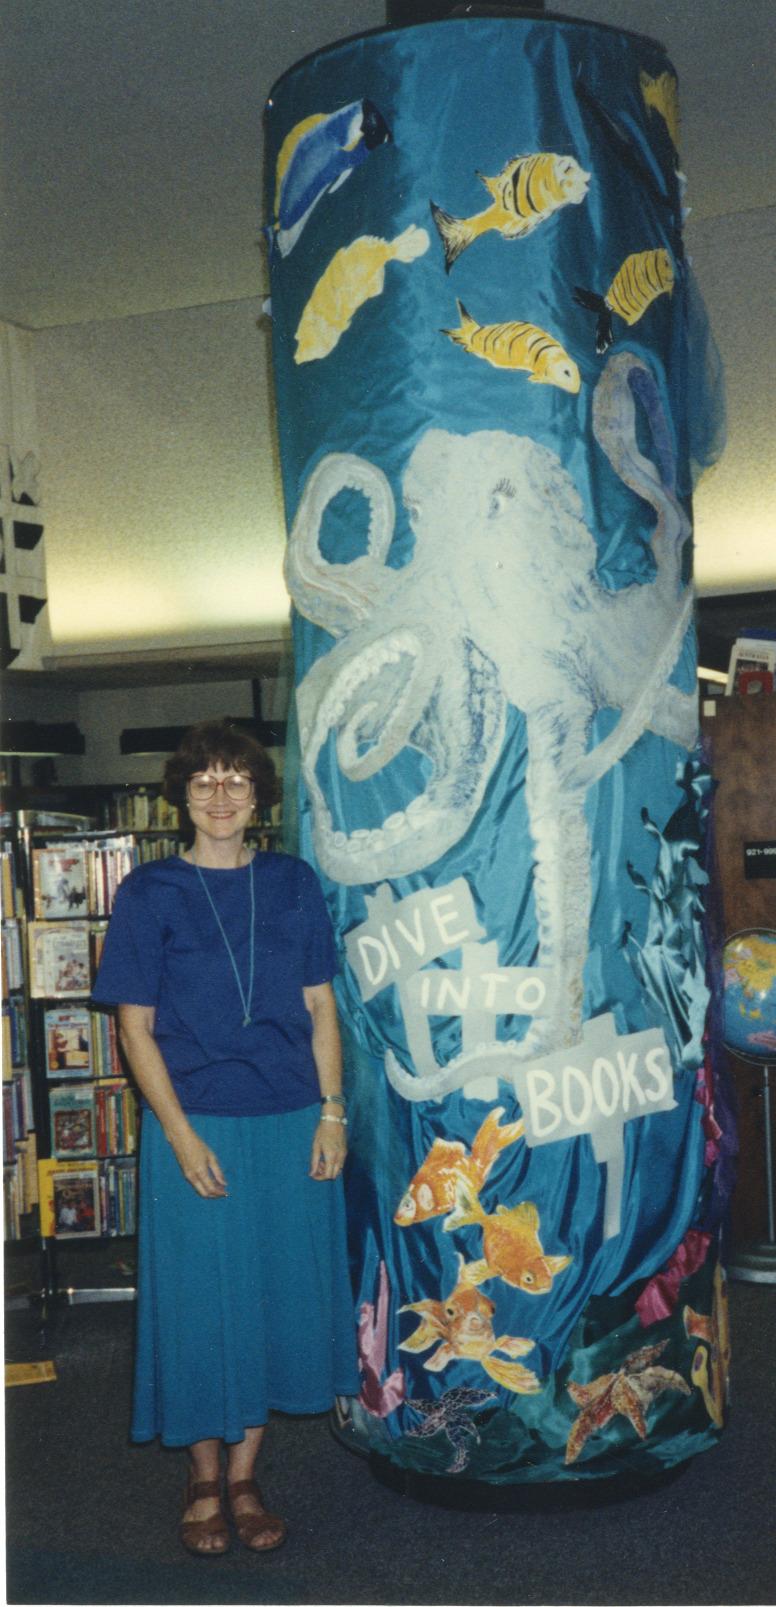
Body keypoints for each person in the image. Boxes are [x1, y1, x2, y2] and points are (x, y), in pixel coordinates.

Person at [91, 719, 359, 1556]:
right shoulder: (148, 892)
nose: (219, 793)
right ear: (180, 795)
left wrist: (332, 1110)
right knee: (202, 1302)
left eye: (235, 780)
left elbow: (322, 1006)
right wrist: (176, 1134)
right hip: (195, 1125)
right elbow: (134, 1030)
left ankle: (246, 1476)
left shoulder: (293, 882)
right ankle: (203, 1477)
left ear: (259, 797)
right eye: (203, 780)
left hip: (288, 1122)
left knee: (276, 1296)